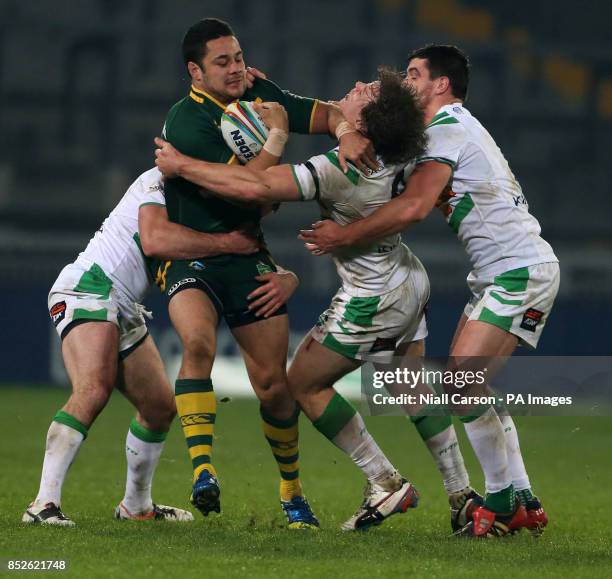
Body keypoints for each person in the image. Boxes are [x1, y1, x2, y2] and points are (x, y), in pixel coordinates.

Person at [154, 68, 446, 531]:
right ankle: (463, 492)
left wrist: (183, 166)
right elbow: (335, 115)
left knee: (303, 385)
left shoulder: (338, 168)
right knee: (411, 385)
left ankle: (385, 481)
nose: (352, 87)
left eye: (362, 93)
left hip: (373, 294)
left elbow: (256, 189)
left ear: (368, 125)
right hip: (410, 276)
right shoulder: (405, 149)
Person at [299, 44, 559, 537]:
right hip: (499, 272)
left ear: (441, 84)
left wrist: (345, 235)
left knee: (461, 386)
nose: (408, 81)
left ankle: (500, 505)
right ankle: (521, 496)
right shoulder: (449, 131)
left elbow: (416, 205)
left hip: (518, 268)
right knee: (470, 386)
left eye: (415, 74)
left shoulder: (447, 129)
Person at [159, 17, 376, 529]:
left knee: (273, 385)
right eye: (222, 62)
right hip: (194, 256)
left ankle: (291, 491)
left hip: (248, 257)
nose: (236, 69)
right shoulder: (186, 122)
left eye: (237, 57)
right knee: (196, 345)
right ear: (195, 71)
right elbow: (246, 190)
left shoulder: (256, 90)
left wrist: (345, 130)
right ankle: (204, 473)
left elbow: (321, 114)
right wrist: (277, 133)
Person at [24, 167, 295, 525]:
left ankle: (136, 507)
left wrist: (289, 277)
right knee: (93, 388)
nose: (262, 210)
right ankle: (43, 504)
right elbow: (155, 240)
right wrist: (228, 243)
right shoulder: (163, 179)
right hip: (90, 285)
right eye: (264, 202)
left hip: (124, 304)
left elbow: (250, 258)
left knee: (158, 407)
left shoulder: (209, 204)